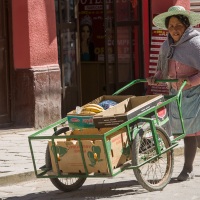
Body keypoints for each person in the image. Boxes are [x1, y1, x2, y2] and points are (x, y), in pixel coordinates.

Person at [147, 5, 200, 181]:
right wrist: (155, 77)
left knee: (193, 133)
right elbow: (162, 69)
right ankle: (189, 169)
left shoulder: (196, 44)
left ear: (186, 25)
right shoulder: (166, 46)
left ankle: (188, 170)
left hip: (196, 92)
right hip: (177, 95)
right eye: (171, 26)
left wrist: (190, 82)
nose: (174, 30)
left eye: (178, 25)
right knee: (188, 132)